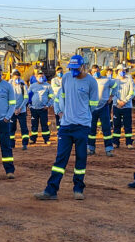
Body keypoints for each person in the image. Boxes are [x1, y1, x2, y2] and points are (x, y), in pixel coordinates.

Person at [34, 55, 99, 201]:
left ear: (83, 67)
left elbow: (93, 105)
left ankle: (78, 188)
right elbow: (61, 96)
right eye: (71, 69)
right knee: (60, 159)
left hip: (82, 126)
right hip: (66, 125)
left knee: (81, 159)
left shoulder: (91, 82)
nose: (73, 71)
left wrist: (83, 115)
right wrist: (61, 112)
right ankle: (51, 190)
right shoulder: (66, 78)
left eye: (76, 69)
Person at [88, 64, 116, 157]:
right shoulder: (89, 81)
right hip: (92, 108)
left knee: (106, 128)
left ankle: (108, 149)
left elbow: (115, 85)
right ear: (91, 72)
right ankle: (91, 148)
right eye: (94, 71)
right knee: (91, 129)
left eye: (97, 71)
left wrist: (111, 96)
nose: (96, 73)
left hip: (104, 107)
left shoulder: (107, 80)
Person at [112, 64, 135, 149]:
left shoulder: (130, 80)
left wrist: (124, 101)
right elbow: (113, 93)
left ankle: (129, 142)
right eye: (120, 70)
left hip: (127, 106)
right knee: (116, 125)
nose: (122, 72)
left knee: (127, 125)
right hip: (116, 106)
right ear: (117, 71)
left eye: (123, 70)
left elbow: (132, 92)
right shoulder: (114, 80)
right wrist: (118, 101)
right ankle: (115, 142)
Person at [27, 70, 53, 144]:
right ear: (36, 77)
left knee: (44, 124)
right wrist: (29, 105)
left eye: (42, 76)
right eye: (39, 76)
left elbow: (52, 96)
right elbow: (28, 96)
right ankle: (33, 139)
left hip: (43, 109)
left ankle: (46, 139)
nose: (41, 77)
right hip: (34, 109)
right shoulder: (32, 86)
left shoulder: (48, 86)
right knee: (34, 124)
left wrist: (48, 105)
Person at [9, 70, 30, 150]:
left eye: (18, 78)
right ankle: (11, 144)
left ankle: (25, 144)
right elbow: (8, 99)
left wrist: (20, 108)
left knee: (24, 127)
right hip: (12, 111)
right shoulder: (9, 86)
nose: (17, 80)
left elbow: (26, 98)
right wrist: (14, 109)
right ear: (12, 78)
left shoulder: (23, 86)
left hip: (22, 111)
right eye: (15, 78)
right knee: (11, 128)